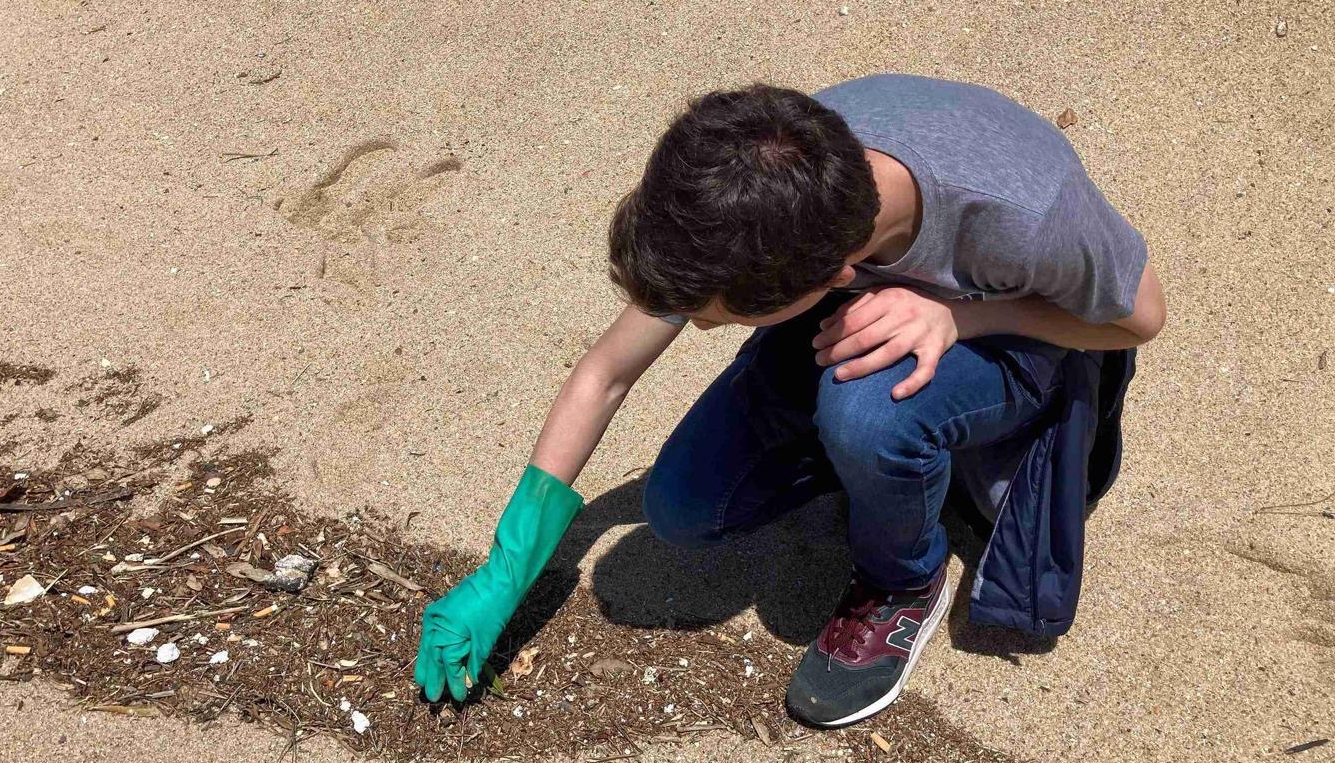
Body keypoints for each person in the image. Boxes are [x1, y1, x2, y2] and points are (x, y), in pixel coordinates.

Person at [414, 74, 1165, 727]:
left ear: (828, 278)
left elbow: (1140, 317)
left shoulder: (1022, 210)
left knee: (869, 415)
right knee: (686, 509)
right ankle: (880, 468)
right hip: (857, 319)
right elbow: (604, 374)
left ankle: (905, 579)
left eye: (718, 318)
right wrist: (507, 569)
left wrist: (959, 315)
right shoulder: (755, 190)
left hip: (1016, 333)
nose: (699, 326)